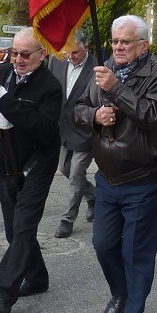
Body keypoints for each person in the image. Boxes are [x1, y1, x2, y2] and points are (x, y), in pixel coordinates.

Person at [74, 15, 157, 313]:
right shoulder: (102, 70)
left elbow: (151, 116)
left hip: (142, 178)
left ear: (143, 46)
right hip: (107, 178)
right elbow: (77, 109)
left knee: (136, 255)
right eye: (115, 41)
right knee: (103, 244)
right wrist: (94, 116)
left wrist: (116, 87)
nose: (118, 47)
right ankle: (121, 292)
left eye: (125, 42)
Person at [0, 28, 62, 313]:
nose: (18, 60)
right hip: (5, 162)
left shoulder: (50, 86)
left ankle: (2, 294)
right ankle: (37, 277)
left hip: (37, 163)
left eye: (25, 54)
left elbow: (44, 128)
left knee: (23, 227)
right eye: (14, 53)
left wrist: (7, 106)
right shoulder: (0, 74)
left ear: (42, 54)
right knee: (14, 230)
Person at [49, 30, 96, 239]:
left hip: (86, 130)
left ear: (86, 48)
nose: (70, 56)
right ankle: (94, 196)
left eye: (75, 52)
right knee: (64, 168)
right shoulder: (58, 61)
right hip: (63, 128)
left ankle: (66, 220)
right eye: (68, 52)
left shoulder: (98, 67)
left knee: (76, 174)